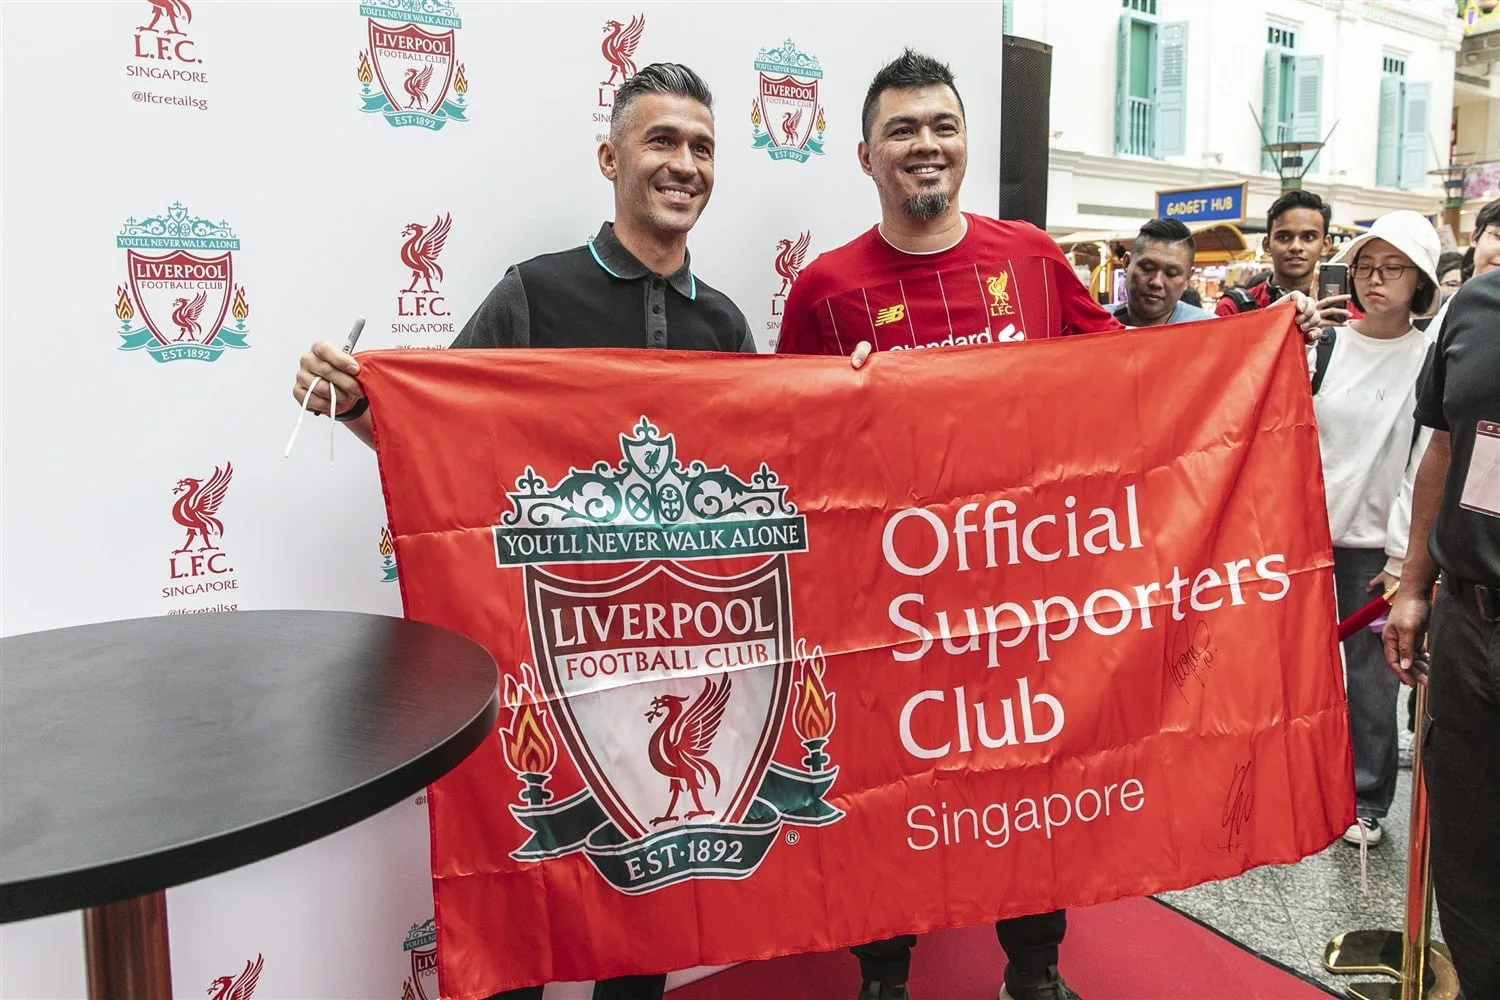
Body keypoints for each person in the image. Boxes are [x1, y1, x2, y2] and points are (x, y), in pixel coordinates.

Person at [775, 48, 1326, 1000]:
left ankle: (1034, 970)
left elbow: (1133, 375)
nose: (926, 145)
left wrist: (1254, 345)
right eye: (902, 130)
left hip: (1025, 593)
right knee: (889, 791)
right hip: (891, 606)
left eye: (942, 125)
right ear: (866, 155)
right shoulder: (825, 291)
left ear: (965, 143)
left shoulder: (1028, 257)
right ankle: (884, 972)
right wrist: (832, 407)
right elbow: (785, 445)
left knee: (1034, 786)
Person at [291, 62, 750, 1000]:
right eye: (662, 141)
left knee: (646, 903)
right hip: (538, 652)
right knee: (524, 899)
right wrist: (350, 403)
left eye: (702, 147)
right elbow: (431, 439)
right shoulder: (532, 295)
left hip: (667, 656)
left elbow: (764, 488)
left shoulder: (727, 324)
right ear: (609, 156)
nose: (684, 164)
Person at [1382, 266, 1500, 1000]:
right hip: (1469, 622)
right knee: (1466, 845)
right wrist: (1415, 586)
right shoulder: (1478, 302)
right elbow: (1447, 450)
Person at [1307, 211, 1442, 849]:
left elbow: (1424, 466)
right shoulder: (1327, 344)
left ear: (1420, 281)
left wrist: (1401, 557)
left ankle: (1366, 799)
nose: (1375, 281)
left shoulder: (1430, 356)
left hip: (1375, 550)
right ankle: (1298, 783)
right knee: (1295, 668)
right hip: (1304, 538)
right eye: (1365, 266)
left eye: (1393, 269)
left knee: (1371, 678)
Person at [1216, 190, 1350, 328]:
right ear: (1267, 245)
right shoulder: (1233, 308)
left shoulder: (1348, 311)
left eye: (1308, 237)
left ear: (1325, 245)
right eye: (1284, 237)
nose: (1296, 247)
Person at [1114, 218, 1214, 327]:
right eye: (1147, 268)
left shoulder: (1208, 331)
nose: (1156, 282)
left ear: (1187, 278)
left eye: (1171, 273)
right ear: (1127, 264)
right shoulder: (1096, 324)